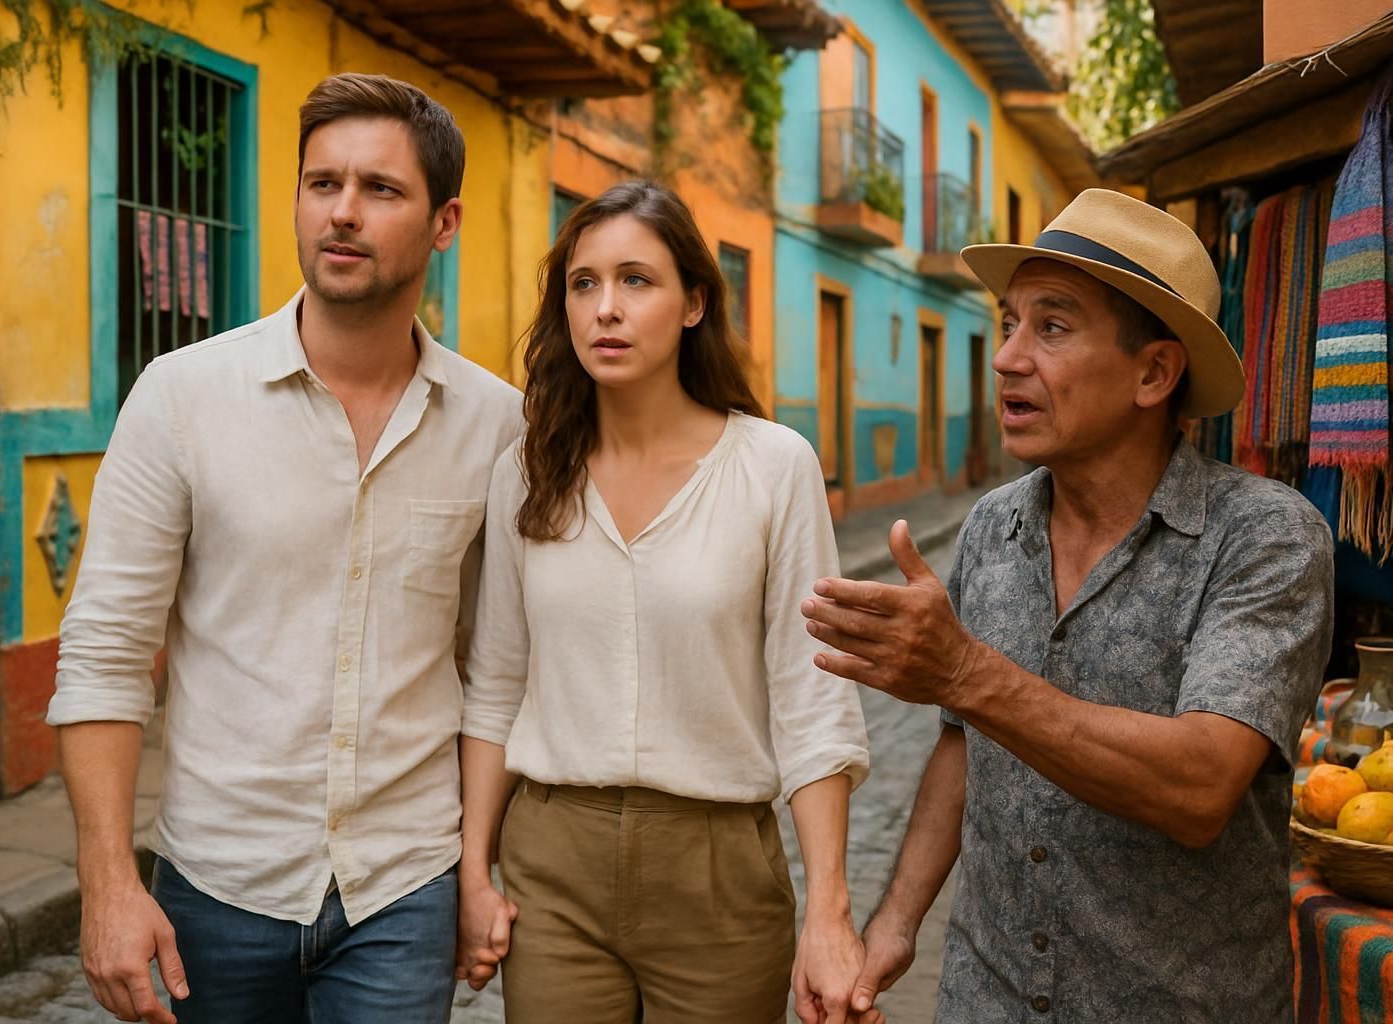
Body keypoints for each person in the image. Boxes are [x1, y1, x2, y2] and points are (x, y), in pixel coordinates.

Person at [47, 73, 523, 1024]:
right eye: (322, 184)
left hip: (405, 888)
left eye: (381, 190)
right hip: (216, 886)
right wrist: (107, 885)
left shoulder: (497, 424)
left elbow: (495, 669)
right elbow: (103, 655)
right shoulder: (181, 397)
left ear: (444, 222)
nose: (343, 214)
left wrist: (477, 867)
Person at [802, 188, 1335, 1023]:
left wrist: (964, 671)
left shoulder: (1265, 537)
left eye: (1051, 327)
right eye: (1009, 322)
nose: (1009, 356)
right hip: (988, 998)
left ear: (1154, 372)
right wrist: (895, 925)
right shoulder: (989, 528)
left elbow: (1200, 788)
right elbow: (959, 742)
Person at [455, 180, 874, 1024]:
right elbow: (496, 682)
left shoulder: (773, 467)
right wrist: (473, 875)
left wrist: (828, 909)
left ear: (694, 303)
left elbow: (813, 697)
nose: (605, 308)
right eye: (584, 284)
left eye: (636, 281)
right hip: (553, 869)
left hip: (718, 871)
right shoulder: (527, 473)